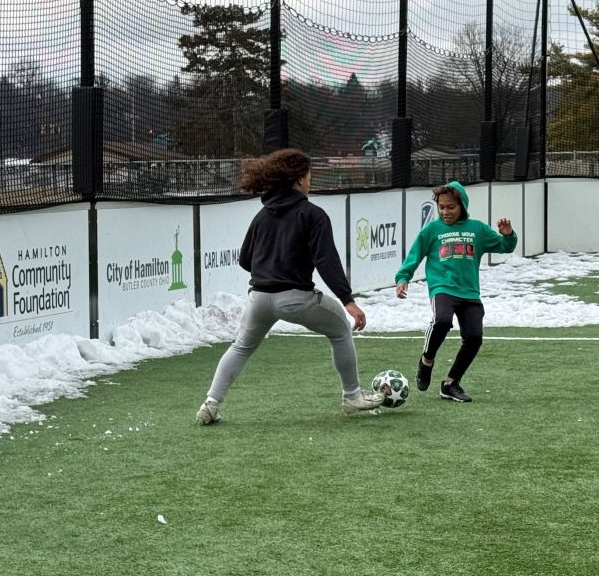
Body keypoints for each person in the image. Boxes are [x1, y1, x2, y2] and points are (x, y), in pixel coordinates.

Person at [196, 148, 383, 425]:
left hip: (258, 299)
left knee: (241, 347)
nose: (310, 181)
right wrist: (348, 301)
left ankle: (211, 404)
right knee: (341, 329)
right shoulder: (313, 214)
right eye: (309, 176)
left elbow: (245, 260)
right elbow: (326, 261)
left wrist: (269, 270)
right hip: (295, 299)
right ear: (298, 179)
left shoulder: (262, 215)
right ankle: (352, 396)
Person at [395, 180, 517, 403]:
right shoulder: (432, 230)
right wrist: (403, 278)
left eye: (450, 207)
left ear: (462, 206)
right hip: (442, 287)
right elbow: (415, 255)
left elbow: (505, 246)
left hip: (469, 292)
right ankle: (426, 361)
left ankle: (451, 383)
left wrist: (508, 234)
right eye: (441, 207)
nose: (445, 212)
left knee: (474, 338)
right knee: (442, 321)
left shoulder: (477, 229)